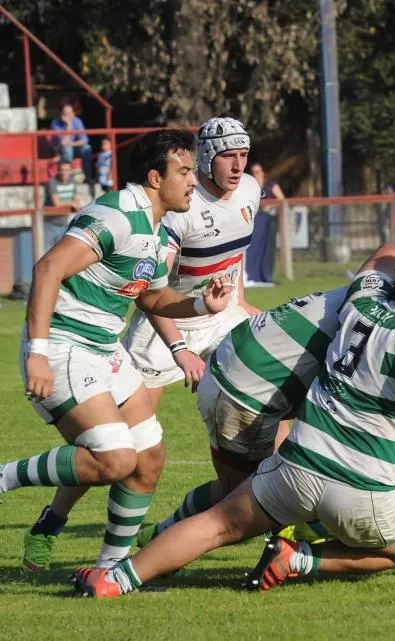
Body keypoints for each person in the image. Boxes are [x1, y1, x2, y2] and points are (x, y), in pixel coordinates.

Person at [71, 240, 395, 597]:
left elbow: (388, 255)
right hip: (362, 490)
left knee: (219, 522)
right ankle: (302, 560)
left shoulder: (362, 300)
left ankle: (116, 579)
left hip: (296, 465)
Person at [136, 234, 395, 545]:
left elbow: (392, 252)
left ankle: (302, 528)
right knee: (241, 501)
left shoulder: (369, 290)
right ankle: (161, 539)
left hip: (241, 364)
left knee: (277, 479)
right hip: (246, 389)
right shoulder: (391, 327)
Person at [21, 116, 260, 572]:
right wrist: (179, 349)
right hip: (117, 339)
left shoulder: (230, 197)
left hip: (171, 327)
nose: (235, 165)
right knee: (112, 452)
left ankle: (120, 561)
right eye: (187, 171)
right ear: (161, 176)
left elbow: (182, 280)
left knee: (150, 453)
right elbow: (62, 272)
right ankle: (48, 518)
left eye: (243, 155)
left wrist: (220, 306)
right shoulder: (138, 215)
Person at [245, 162, 286, 287]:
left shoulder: (270, 185)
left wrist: (270, 206)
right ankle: (251, 274)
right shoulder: (249, 186)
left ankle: (265, 275)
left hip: (267, 220)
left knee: (267, 248)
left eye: (258, 171)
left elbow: (282, 200)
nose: (255, 174)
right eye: (253, 172)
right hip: (253, 220)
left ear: (263, 172)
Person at [44, 160, 84, 253]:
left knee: (61, 254)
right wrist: (71, 203)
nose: (64, 172)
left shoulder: (72, 181)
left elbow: (76, 200)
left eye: (66, 170)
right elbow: (57, 203)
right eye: (61, 170)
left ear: (70, 171)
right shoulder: (52, 182)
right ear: (58, 170)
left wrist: (76, 204)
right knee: (47, 255)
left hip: (64, 224)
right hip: (50, 224)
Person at [50, 103, 93, 181]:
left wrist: (72, 144)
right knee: (67, 148)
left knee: (87, 148)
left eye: (69, 113)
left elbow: (85, 140)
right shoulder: (55, 123)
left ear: (73, 114)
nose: (66, 115)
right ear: (61, 114)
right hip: (59, 149)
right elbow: (64, 142)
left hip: (72, 147)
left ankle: (87, 177)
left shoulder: (77, 121)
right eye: (64, 113)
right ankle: (69, 178)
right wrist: (69, 124)